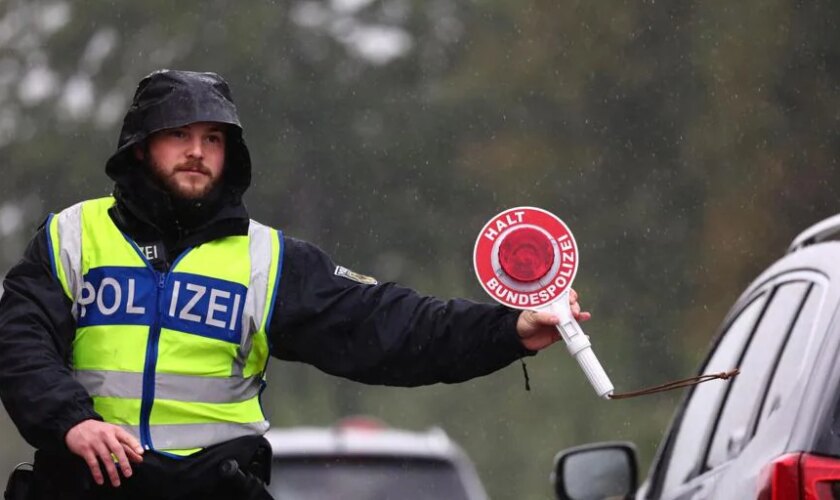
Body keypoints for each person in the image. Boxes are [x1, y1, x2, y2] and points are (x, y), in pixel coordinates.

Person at [0, 70, 589, 500]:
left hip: (214, 493)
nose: (198, 152)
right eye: (180, 134)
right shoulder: (70, 235)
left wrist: (510, 329)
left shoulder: (269, 258)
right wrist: (71, 421)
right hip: (86, 488)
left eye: (214, 139)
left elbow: (389, 326)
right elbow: (19, 342)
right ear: (141, 145)